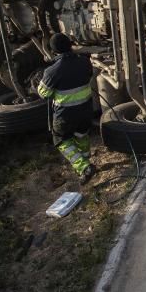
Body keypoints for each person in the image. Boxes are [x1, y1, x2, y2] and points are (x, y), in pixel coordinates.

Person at [38, 33, 96, 181]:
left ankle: (84, 167)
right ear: (70, 44)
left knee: (61, 140)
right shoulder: (84, 61)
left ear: (53, 50)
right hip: (86, 109)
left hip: (66, 114)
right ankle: (87, 160)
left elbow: (43, 93)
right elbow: (89, 76)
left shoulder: (51, 71)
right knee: (81, 134)